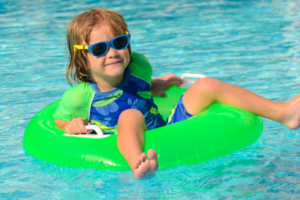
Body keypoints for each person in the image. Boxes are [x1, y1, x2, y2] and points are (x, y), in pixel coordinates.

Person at [54, 8, 300, 179]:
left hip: (166, 129)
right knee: (130, 115)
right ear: (82, 60)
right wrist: (69, 125)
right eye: (99, 48)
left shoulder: (138, 65)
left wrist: (156, 84)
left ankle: (283, 113)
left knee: (206, 86)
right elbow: (57, 120)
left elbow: (131, 88)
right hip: (121, 139)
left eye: (119, 43)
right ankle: (137, 165)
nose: (113, 53)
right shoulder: (79, 96)